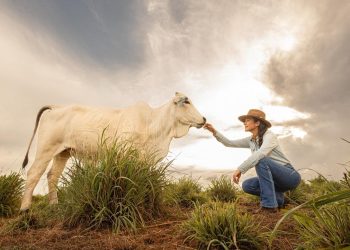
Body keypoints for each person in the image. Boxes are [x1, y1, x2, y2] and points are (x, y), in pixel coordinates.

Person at [204, 109, 301, 213]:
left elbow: (260, 154)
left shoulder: (270, 136)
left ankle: (269, 206)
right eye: (244, 121)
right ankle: (278, 199)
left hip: (289, 177)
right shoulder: (251, 140)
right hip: (275, 182)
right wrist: (214, 132)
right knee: (247, 185)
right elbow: (229, 143)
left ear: (257, 123)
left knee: (261, 160)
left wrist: (240, 169)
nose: (244, 123)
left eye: (248, 120)